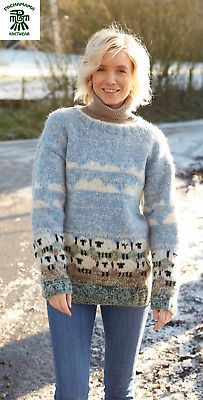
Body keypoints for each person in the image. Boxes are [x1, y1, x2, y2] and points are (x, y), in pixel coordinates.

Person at [31, 24, 180, 400]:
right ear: (88, 73)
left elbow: (163, 217)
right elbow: (47, 205)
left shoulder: (150, 139)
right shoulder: (61, 125)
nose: (109, 79)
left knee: (119, 390)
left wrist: (165, 288)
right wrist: (53, 275)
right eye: (101, 68)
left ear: (135, 79)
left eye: (121, 70)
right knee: (71, 392)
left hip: (131, 281)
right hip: (70, 280)